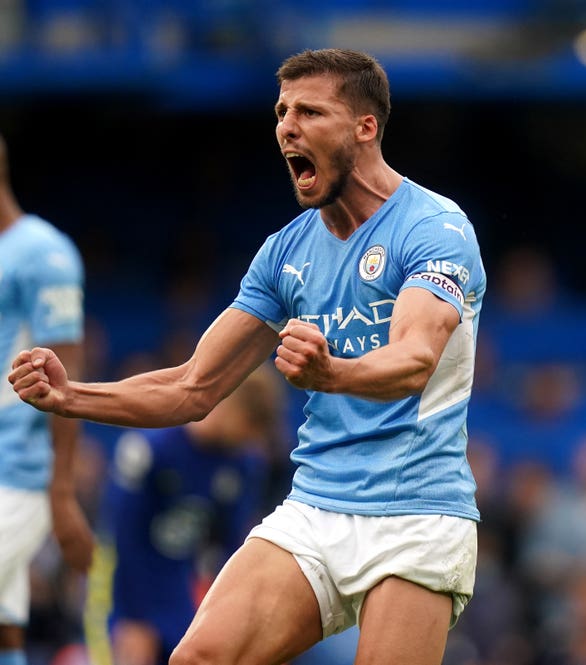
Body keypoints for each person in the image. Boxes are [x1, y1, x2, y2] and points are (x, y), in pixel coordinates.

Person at [9, 48, 486, 665]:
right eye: (282, 111)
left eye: (311, 111)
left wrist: (330, 373)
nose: (287, 125)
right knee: (198, 658)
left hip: (419, 512)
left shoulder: (433, 227)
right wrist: (71, 395)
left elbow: (415, 361)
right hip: (317, 506)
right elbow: (191, 387)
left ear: (365, 127)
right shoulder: (284, 253)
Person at [84, 364, 287, 665]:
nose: (251, 440)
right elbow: (122, 537)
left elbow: (232, 548)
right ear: (233, 408)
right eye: (250, 429)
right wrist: (133, 619)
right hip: (121, 589)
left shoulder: (242, 465)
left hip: (177, 588)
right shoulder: (151, 448)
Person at [0, 134, 93, 665]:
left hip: (18, 474)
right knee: (6, 633)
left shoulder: (43, 253)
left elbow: (66, 377)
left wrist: (61, 491)